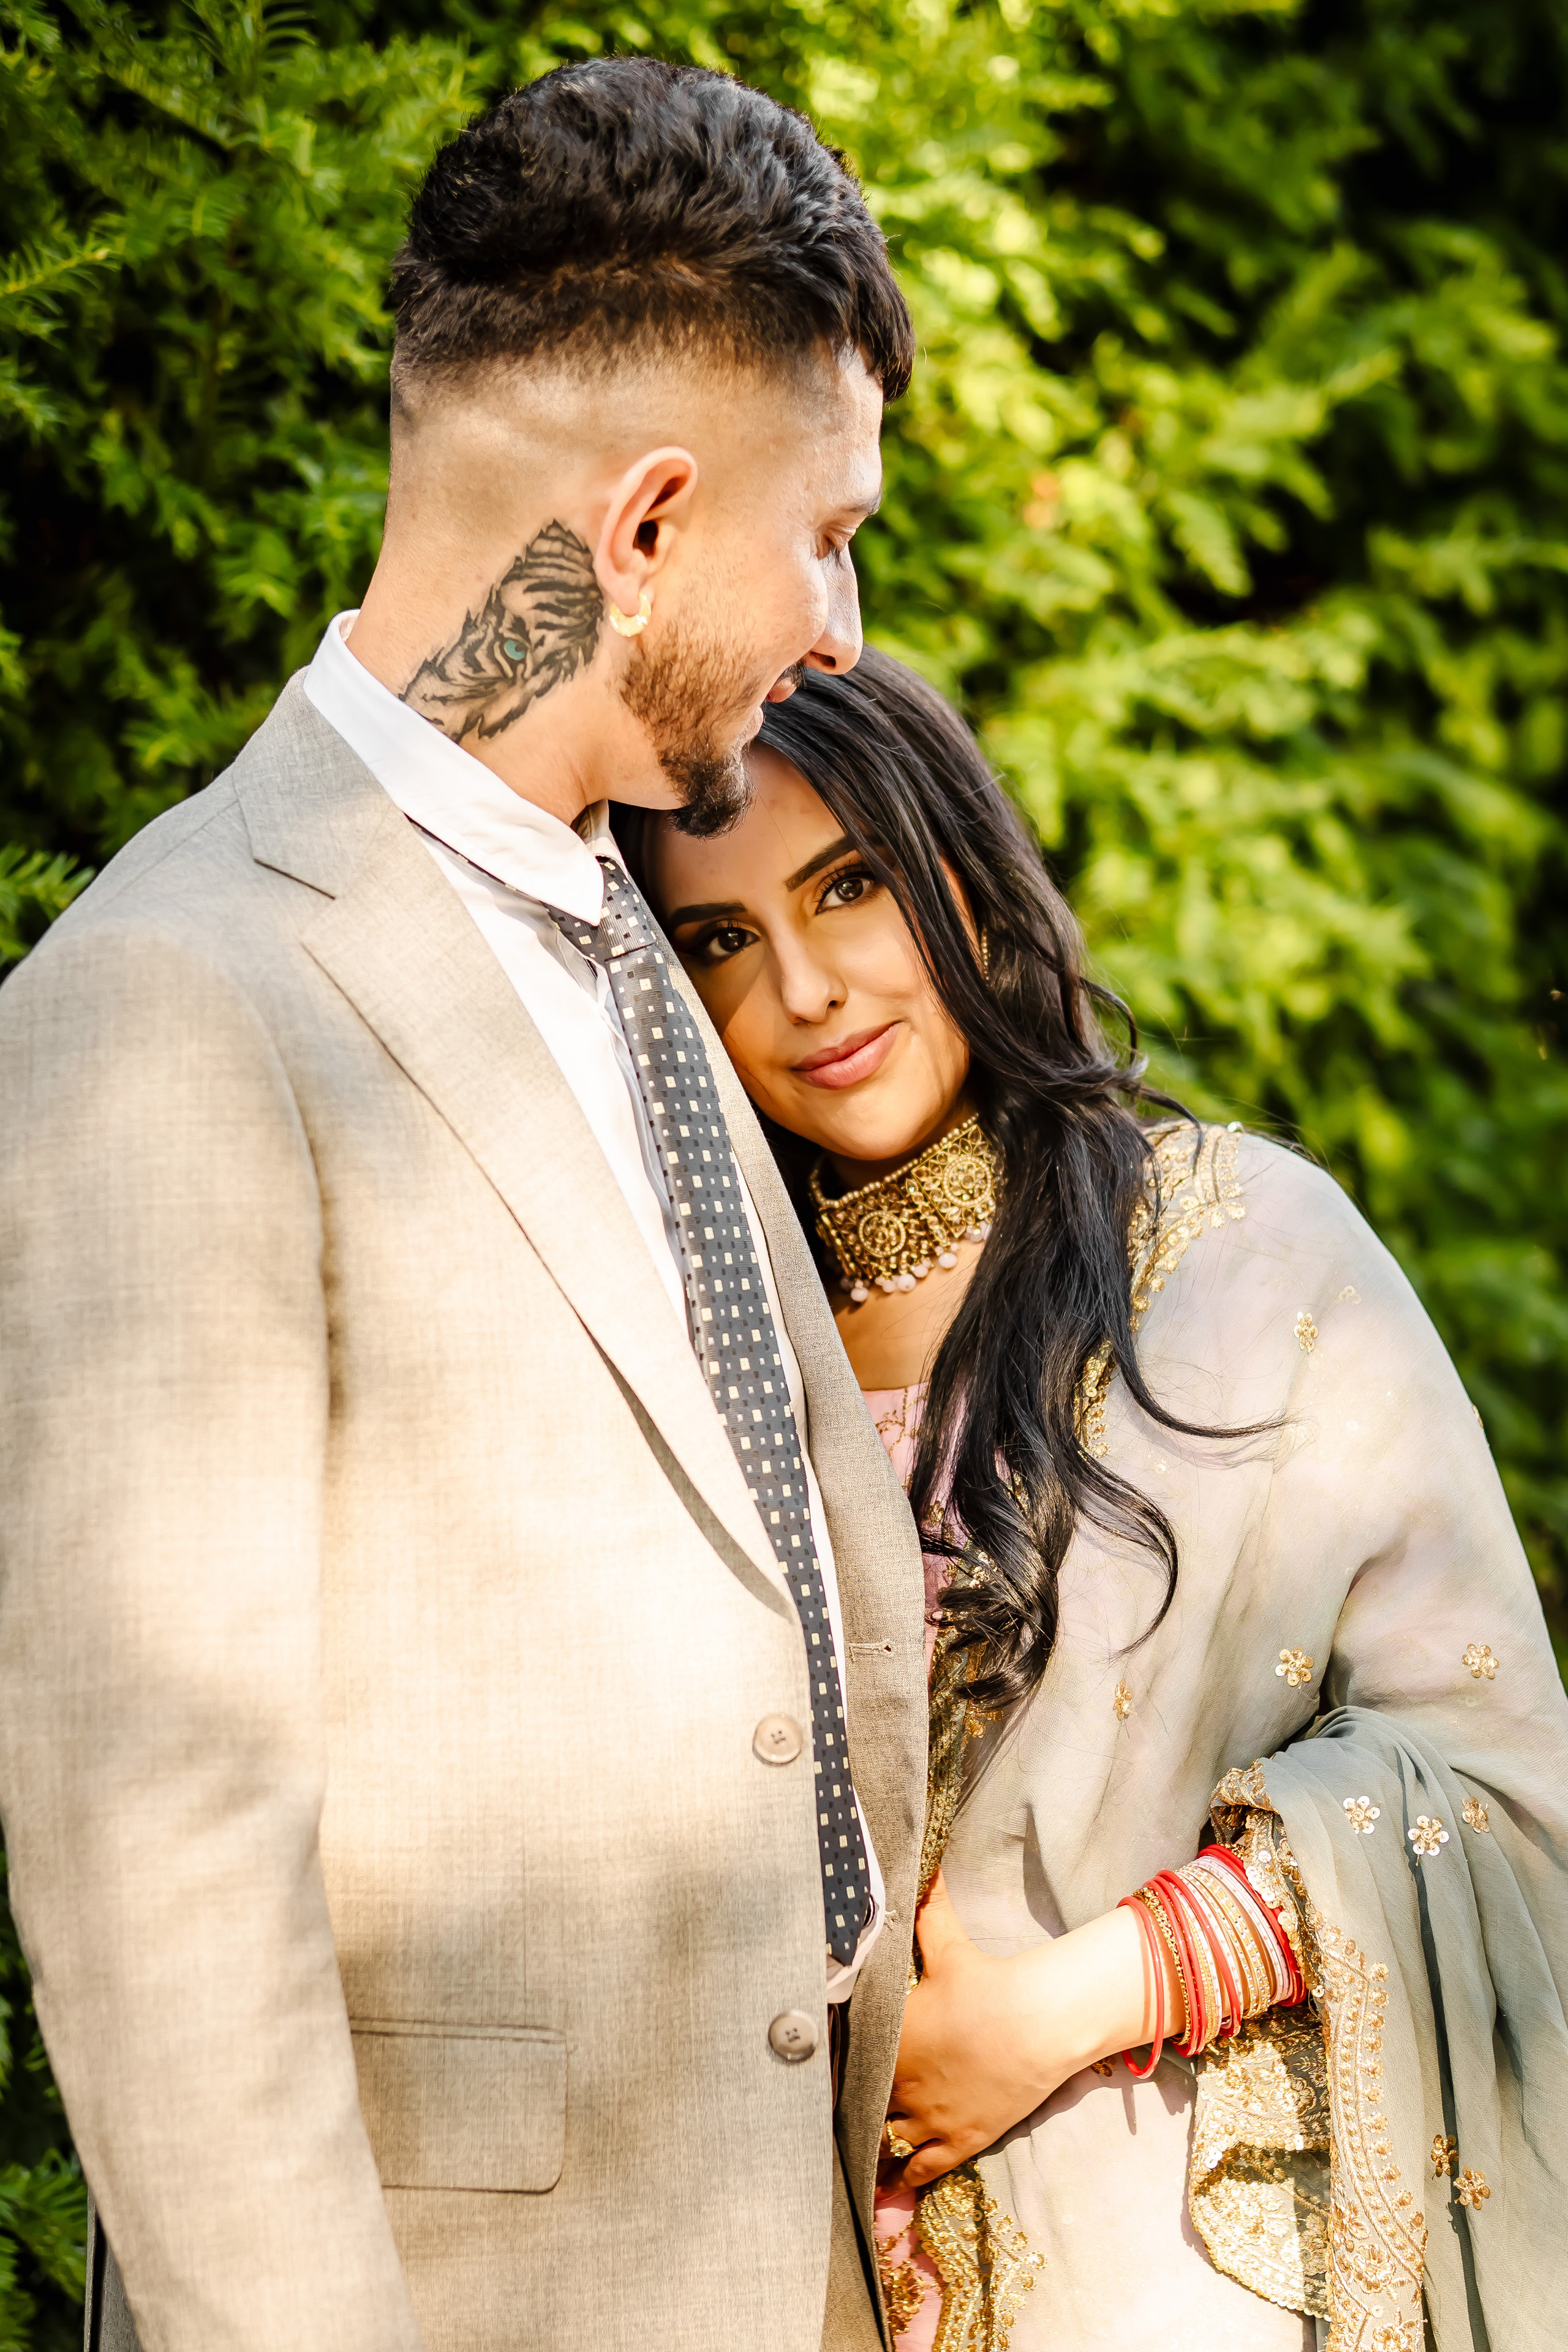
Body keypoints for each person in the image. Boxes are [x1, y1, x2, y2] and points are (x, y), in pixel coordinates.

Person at [0, 64, 932, 2352]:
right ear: (638, 529)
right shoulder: (163, 1002)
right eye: (826, 532)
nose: (843, 620)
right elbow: (161, 1863)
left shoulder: (626, 925)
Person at [627, 646, 1568, 2352]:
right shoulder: (694, 1357)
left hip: (1173, 2270)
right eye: (721, 941)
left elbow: (1501, 1787)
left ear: (966, 883)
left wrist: (1063, 2004)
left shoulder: (1242, 1258)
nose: (812, 988)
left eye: (850, 889)